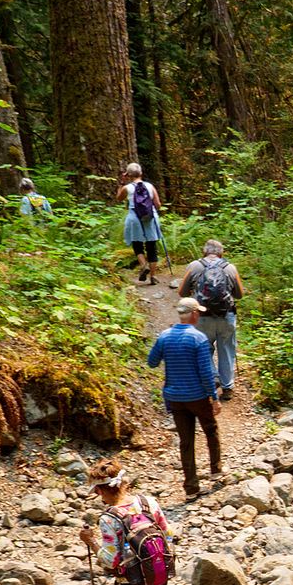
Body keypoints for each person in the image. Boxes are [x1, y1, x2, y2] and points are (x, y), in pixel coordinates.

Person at [148, 299, 223, 498]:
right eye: (199, 313)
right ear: (194, 314)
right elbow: (206, 373)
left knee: (185, 441)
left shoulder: (164, 336)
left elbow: (152, 362)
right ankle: (216, 471)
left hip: (175, 397)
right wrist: (214, 398)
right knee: (211, 430)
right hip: (197, 396)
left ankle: (191, 488)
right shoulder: (198, 338)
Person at [178, 239, 244, 401]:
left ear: (204, 252)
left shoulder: (194, 266)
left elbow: (182, 292)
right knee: (227, 349)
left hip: (201, 315)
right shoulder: (230, 267)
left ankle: (213, 377)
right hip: (226, 315)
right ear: (221, 253)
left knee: (204, 348)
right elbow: (239, 294)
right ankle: (227, 387)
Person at [116, 162, 164, 284]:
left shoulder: (127, 188)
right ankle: (153, 277)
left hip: (134, 217)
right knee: (151, 246)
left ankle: (143, 265)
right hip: (150, 217)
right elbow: (158, 205)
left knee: (137, 244)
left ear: (128, 175)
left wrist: (122, 182)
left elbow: (118, 198)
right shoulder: (150, 186)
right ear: (141, 173)